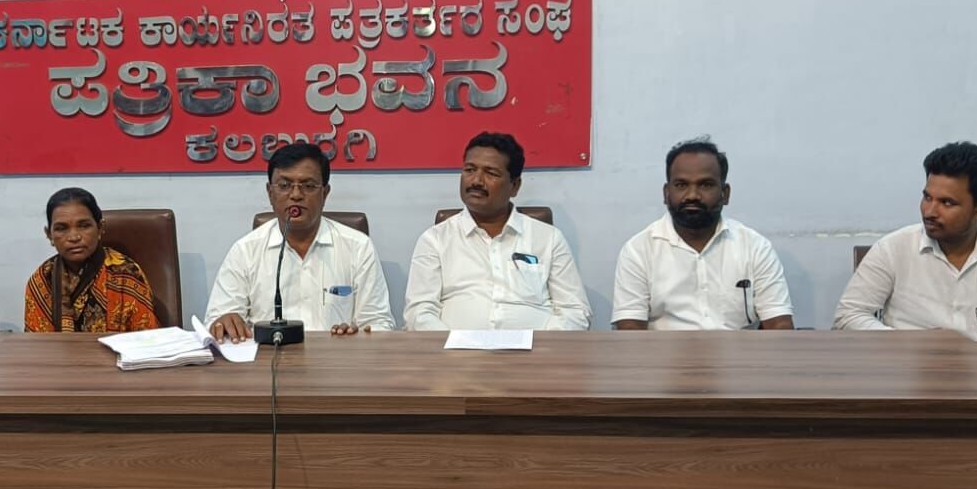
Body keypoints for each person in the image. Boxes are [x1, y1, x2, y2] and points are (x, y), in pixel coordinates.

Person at [834, 141, 977, 363]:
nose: (930, 212)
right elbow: (849, 316)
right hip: (905, 374)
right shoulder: (893, 248)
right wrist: (910, 344)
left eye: (947, 203)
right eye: (927, 197)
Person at [206, 143, 393, 341]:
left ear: (325, 193)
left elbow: (378, 323)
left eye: (308, 186)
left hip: (336, 358)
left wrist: (355, 336)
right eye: (284, 185)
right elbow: (218, 322)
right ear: (270, 193)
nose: (296, 195)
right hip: (265, 358)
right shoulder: (245, 251)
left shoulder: (358, 247)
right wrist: (224, 322)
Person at [404, 132, 590, 330]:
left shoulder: (548, 238)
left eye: (491, 173)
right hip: (454, 348)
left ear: (515, 186)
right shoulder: (435, 239)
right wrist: (455, 343)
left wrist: (542, 344)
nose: (476, 181)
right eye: (469, 170)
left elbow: (575, 311)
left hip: (534, 348)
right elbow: (419, 313)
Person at [613, 137, 794, 330]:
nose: (692, 195)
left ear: (725, 193)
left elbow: (780, 324)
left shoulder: (755, 247)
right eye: (681, 185)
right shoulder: (639, 250)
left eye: (705, 185)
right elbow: (629, 329)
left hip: (739, 350)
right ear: (666, 193)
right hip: (664, 350)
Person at [22, 188, 160, 333]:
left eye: (84, 226)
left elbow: (147, 339)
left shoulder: (125, 274)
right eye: (61, 228)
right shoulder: (42, 280)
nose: (74, 237)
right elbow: (38, 343)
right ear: (49, 235)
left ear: (100, 228)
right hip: (57, 349)